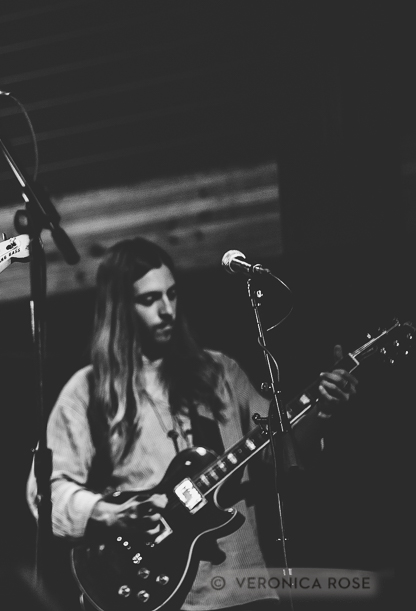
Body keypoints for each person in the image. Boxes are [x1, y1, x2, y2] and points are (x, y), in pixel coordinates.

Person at [26, 237, 357, 610]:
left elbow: (282, 452)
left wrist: (322, 412)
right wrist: (112, 513)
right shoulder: (87, 391)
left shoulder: (219, 371)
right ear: (120, 309)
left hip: (243, 590)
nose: (166, 309)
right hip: (155, 595)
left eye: (171, 294)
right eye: (149, 300)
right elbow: (46, 492)